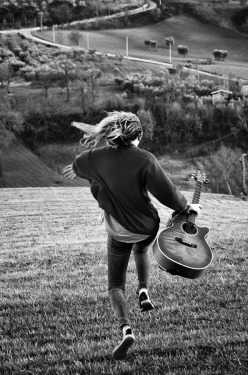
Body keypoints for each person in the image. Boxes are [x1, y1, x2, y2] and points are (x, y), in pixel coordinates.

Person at [63, 111, 201, 360]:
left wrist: (76, 170)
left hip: (118, 230)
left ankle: (126, 329)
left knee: (115, 284)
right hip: (146, 226)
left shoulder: (93, 158)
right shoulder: (145, 159)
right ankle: (144, 289)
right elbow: (168, 193)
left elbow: (78, 165)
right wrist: (187, 207)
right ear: (137, 136)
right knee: (141, 249)